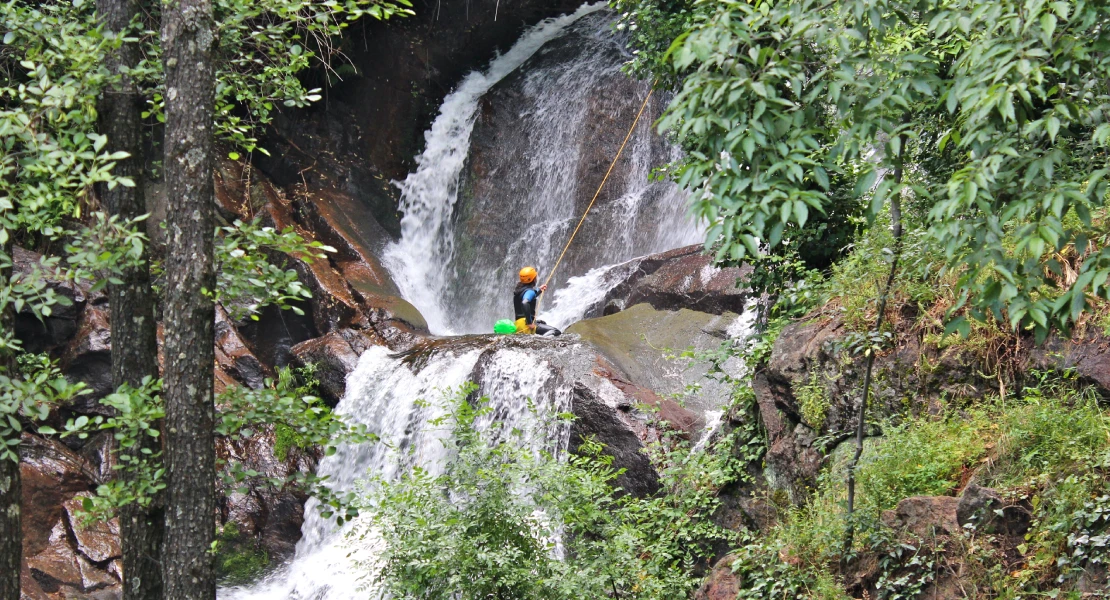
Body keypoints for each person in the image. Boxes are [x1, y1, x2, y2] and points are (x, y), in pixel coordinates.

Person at [514, 266, 561, 336]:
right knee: (555, 331)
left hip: (518, 325)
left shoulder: (518, 290)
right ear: (533, 279)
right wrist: (529, 323)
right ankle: (541, 341)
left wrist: (539, 290)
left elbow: (528, 295)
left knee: (542, 323)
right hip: (526, 325)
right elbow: (525, 302)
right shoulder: (530, 291)